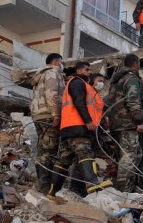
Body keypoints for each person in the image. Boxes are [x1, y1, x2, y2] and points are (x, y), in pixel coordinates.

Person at [47, 62, 111, 201]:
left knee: (64, 160)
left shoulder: (79, 84)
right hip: (78, 126)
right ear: (79, 70)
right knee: (85, 153)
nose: (89, 72)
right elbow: (79, 102)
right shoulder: (78, 82)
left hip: (68, 127)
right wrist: (88, 121)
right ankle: (92, 183)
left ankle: (52, 192)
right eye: (87, 69)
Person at [105, 54, 143, 193]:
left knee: (123, 155)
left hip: (115, 124)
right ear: (135, 64)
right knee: (128, 156)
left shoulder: (116, 80)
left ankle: (124, 186)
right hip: (128, 124)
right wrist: (139, 121)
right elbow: (133, 100)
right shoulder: (131, 79)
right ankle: (124, 190)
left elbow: (108, 101)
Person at [30, 53, 65, 194]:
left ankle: (42, 181)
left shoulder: (39, 76)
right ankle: (45, 183)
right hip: (49, 115)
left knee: (43, 148)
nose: (62, 66)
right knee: (49, 150)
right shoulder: (52, 73)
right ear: (56, 61)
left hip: (38, 115)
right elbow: (52, 93)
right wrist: (56, 113)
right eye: (61, 62)